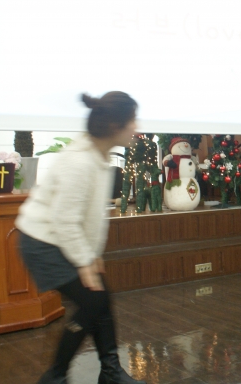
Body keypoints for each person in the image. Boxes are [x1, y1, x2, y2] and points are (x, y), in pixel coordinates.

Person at [16, 92, 146, 384]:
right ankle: (56, 376)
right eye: (132, 121)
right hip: (41, 242)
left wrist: (92, 254)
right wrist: (85, 260)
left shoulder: (98, 155)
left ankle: (110, 373)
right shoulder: (79, 161)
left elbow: (88, 215)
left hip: (60, 238)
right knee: (92, 301)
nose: (136, 127)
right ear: (114, 126)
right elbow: (65, 219)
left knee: (99, 299)